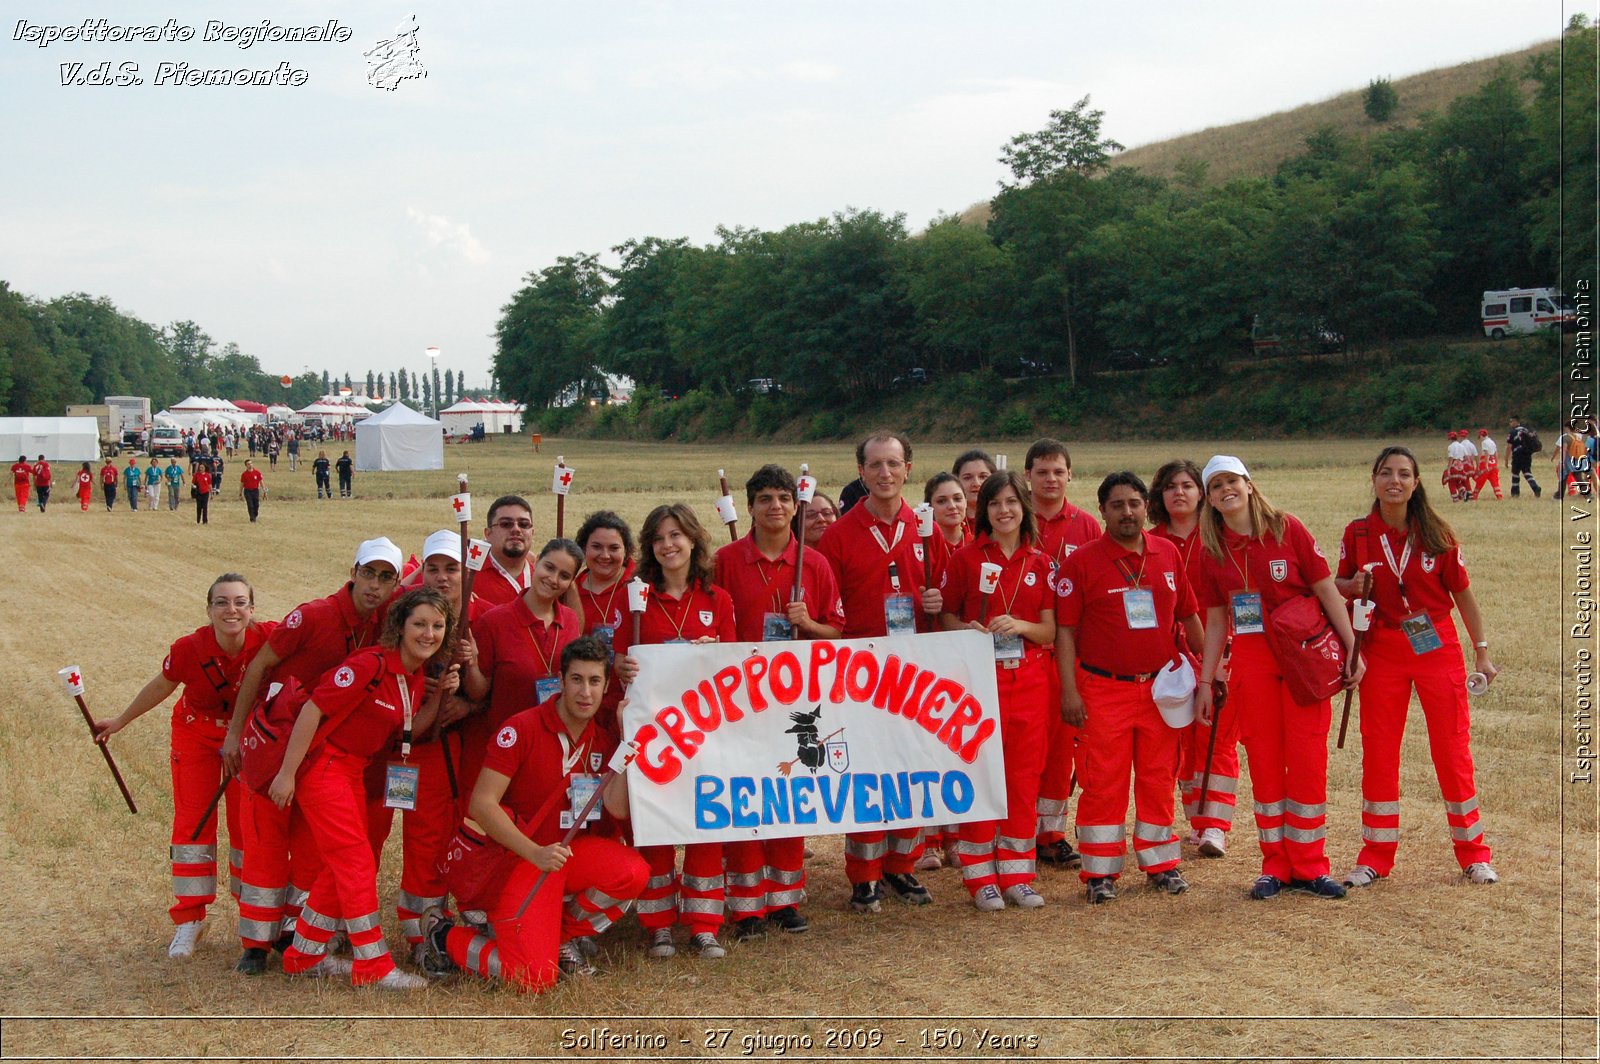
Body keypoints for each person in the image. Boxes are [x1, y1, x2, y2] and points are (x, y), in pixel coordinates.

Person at [425, 636, 647, 989]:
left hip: (562, 856)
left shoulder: (603, 739)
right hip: (519, 860)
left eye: (594, 682)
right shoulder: (522, 728)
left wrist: (626, 735)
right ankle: (445, 935)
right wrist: (534, 852)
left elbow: (616, 806)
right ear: (560, 681)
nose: (585, 692)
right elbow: (481, 804)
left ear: (606, 688)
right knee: (532, 978)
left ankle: (560, 938)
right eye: (576, 679)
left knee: (632, 871)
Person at [222, 538, 402, 974]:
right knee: (264, 841)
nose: (374, 585)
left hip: (321, 753)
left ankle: (292, 935)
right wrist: (233, 733)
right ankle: (254, 944)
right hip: (274, 741)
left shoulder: (384, 626)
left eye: (386, 578)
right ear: (353, 571)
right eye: (368, 574)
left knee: (310, 851)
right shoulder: (314, 615)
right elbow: (259, 664)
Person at [1193, 455, 1363, 901]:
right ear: (1208, 499)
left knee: (1308, 759)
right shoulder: (1210, 549)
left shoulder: (1289, 529)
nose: (1225, 490)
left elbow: (1326, 588)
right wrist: (1207, 681)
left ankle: (1311, 865)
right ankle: (1275, 865)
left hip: (1303, 653)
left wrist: (1350, 650)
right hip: (1252, 659)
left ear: (1249, 484)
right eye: (1216, 486)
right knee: (1266, 762)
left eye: (1232, 481)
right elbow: (1215, 622)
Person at [271, 588, 456, 989]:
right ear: (401, 626)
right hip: (325, 768)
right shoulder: (369, 665)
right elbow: (312, 709)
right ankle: (372, 962)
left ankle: (304, 954)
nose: (429, 633)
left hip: (354, 771)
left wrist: (440, 696)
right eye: (420, 624)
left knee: (346, 864)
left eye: (438, 626)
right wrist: (286, 774)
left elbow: (410, 729)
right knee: (355, 862)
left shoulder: (415, 676)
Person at [1336, 446, 1501, 888]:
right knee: (1380, 751)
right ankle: (1375, 856)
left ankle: (1473, 854)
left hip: (1435, 644)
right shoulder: (1358, 535)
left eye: (1404, 474)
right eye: (1386, 473)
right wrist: (1350, 585)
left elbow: (1463, 594)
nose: (1395, 480)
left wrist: (1481, 652)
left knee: (1451, 751)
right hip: (1382, 649)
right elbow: (1336, 585)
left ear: (1416, 482)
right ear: (1373, 479)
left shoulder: (1436, 532)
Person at [93, 575, 275, 958]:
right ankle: (190, 919)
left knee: (249, 825)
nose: (232, 610)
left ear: (253, 609)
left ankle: (255, 917)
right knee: (192, 826)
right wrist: (121, 721)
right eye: (222, 603)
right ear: (208, 609)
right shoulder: (190, 648)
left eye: (240, 602)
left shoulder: (269, 640)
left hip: (245, 737)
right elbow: (163, 685)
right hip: (196, 734)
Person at [1057, 472, 1203, 904]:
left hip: (1160, 689)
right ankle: (1100, 871)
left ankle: (1160, 863)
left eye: (1135, 503)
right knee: (1103, 781)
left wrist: (1213, 668)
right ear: (1102, 510)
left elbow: (1190, 616)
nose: (1127, 512)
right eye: (1117, 504)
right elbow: (1065, 632)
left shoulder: (1168, 553)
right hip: (1102, 687)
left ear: (1146, 507)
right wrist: (1070, 691)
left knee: (1159, 778)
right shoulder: (1081, 562)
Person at [713, 465, 846, 938]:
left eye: (783, 498)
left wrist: (808, 624)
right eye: (765, 498)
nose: (775, 506)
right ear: (748, 506)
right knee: (747, 797)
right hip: (742, 701)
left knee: (789, 795)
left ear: (796, 504)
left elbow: (838, 631)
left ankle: (786, 899)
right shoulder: (725, 561)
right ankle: (747, 904)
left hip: (798, 700)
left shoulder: (815, 563)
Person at [815, 431, 942, 912]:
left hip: (917, 671)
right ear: (862, 472)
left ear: (908, 467)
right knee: (867, 771)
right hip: (861, 672)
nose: (884, 473)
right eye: (875, 465)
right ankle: (864, 873)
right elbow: (829, 605)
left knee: (910, 767)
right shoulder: (839, 534)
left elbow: (948, 591)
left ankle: (902, 865)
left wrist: (939, 599)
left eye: (893, 463)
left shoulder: (926, 527)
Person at [612, 503, 737, 958]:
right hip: (655, 733)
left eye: (676, 536)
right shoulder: (638, 598)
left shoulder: (716, 599)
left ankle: (704, 924)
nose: (668, 545)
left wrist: (714, 651)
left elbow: (734, 666)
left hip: (704, 732)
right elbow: (620, 660)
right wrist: (621, 665)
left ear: (692, 540)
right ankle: (658, 924)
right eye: (659, 539)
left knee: (705, 824)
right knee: (656, 826)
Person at [939, 470, 1057, 910]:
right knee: (980, 775)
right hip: (978, 684)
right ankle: (979, 877)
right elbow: (945, 616)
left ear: (1023, 507)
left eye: (1011, 502)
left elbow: (1049, 630)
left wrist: (1021, 625)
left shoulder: (1041, 563)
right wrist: (967, 628)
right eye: (994, 503)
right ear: (983, 511)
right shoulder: (966, 559)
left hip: (1028, 681)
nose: (1003, 510)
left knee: (1023, 780)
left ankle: (1018, 872)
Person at [1148, 458, 1232, 856]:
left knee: (1218, 736)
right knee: (1179, 740)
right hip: (1167, 657)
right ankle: (1194, 819)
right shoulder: (1148, 540)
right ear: (1159, 496)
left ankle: (1216, 824)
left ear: (1202, 493)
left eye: (1186, 485)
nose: (1178, 492)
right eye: (1169, 486)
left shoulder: (1220, 536)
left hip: (1215, 648)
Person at [1025, 437, 1102, 868]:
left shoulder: (1087, 525)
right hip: (1025, 652)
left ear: (1070, 475)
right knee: (1026, 747)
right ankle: (1016, 830)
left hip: (1070, 655)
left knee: (1061, 749)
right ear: (1027, 477)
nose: (1051, 479)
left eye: (1058, 471)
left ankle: (1050, 833)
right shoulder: (1015, 518)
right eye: (1042, 471)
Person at [460, 539, 583, 803]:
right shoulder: (495, 621)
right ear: (535, 563)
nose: (553, 579)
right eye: (548, 568)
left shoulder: (570, 621)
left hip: (553, 745)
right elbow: (478, 692)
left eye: (564, 576)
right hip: (506, 747)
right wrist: (471, 663)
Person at [915, 471, 972, 871]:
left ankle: (957, 836)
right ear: (928, 509)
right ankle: (929, 838)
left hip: (966, 656)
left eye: (957, 498)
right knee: (928, 745)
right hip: (932, 649)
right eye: (941, 501)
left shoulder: (978, 544)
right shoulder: (925, 547)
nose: (951, 506)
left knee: (960, 747)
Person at [573, 510, 636, 736]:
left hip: (627, 704)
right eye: (596, 547)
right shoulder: (569, 590)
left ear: (627, 551)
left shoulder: (640, 587)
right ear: (583, 549)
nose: (605, 555)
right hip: (582, 703)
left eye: (614, 548)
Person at [474, 495, 537, 607]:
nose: (516, 529)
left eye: (524, 524)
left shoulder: (544, 577)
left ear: (532, 532)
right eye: (506, 524)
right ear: (488, 534)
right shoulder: (470, 577)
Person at [952, 449, 997, 537]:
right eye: (967, 478)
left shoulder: (1003, 518)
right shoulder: (950, 519)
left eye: (983, 476)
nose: (976, 483)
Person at [1507, 416, 1542, 498]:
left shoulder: (1513, 432)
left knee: (1515, 473)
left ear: (1516, 422)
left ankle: (1515, 492)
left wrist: (1506, 459)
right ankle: (1535, 487)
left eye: (1511, 422)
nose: (1510, 423)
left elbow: (1509, 446)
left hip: (1517, 455)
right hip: (1527, 454)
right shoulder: (1527, 430)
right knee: (1527, 472)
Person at [1471, 429, 1502, 501]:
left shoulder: (1484, 443)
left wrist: (1486, 465)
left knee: (1480, 480)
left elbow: (1487, 454)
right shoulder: (1492, 442)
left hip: (1486, 464)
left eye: (1480, 437)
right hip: (1493, 463)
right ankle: (1499, 496)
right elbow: (1496, 453)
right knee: (1495, 481)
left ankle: (1474, 495)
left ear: (1481, 436)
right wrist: (1496, 464)